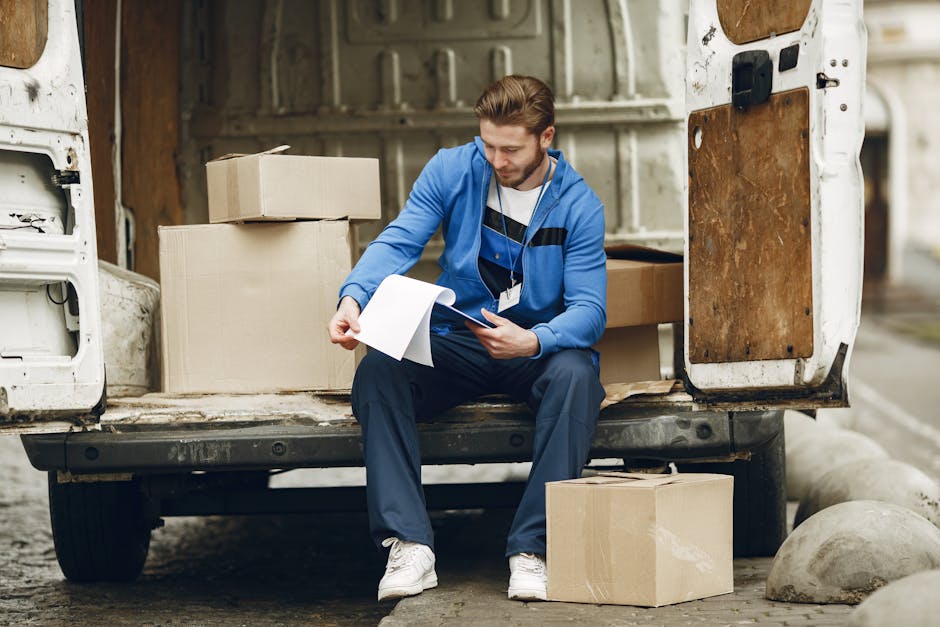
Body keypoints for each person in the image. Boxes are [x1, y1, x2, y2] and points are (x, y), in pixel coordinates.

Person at [327, 75, 607, 602]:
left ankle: (533, 548)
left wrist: (536, 341)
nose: (496, 159)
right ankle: (409, 544)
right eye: (488, 144)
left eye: (510, 148)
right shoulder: (452, 168)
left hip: (533, 348)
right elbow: (401, 238)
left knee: (577, 376)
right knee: (378, 369)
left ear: (546, 138)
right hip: (460, 338)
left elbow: (591, 311)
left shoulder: (579, 204)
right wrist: (353, 298)